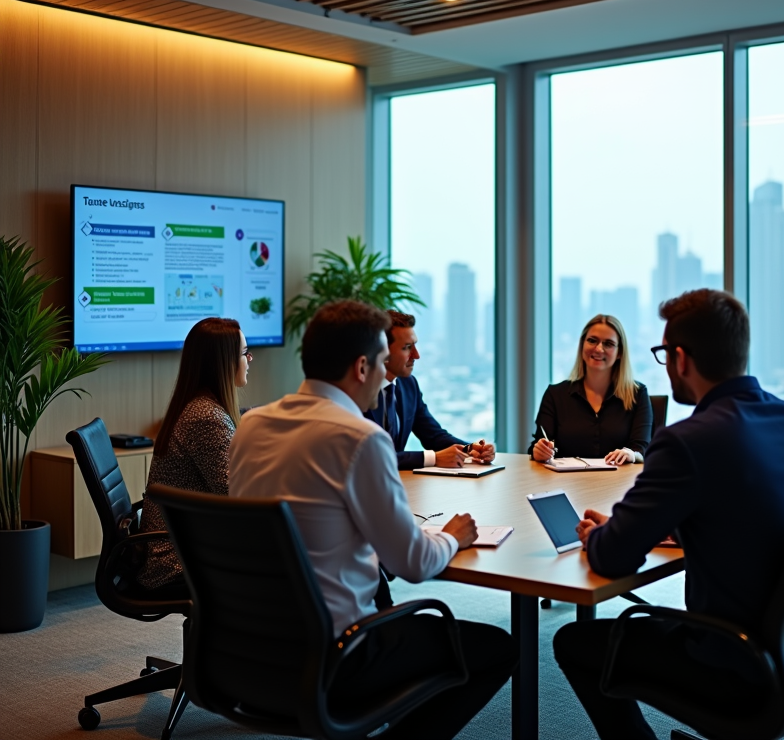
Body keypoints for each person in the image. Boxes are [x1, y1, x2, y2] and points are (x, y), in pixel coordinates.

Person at [553, 290, 784, 740]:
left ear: (681, 359)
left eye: (664, 354)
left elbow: (612, 561)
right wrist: (664, 529)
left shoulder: (689, 440)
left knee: (574, 643)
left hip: (740, 661)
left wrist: (606, 536)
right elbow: (757, 513)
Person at [227, 301, 516, 740]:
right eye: (383, 363)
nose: (388, 376)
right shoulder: (359, 438)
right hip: (340, 655)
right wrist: (454, 538)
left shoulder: (251, 425)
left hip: (251, 650)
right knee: (499, 648)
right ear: (362, 367)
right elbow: (414, 564)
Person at [136, 317, 252, 592]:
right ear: (223, 362)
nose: (250, 359)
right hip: (176, 557)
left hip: (189, 541)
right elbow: (234, 496)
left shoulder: (201, 406)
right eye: (245, 353)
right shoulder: (205, 417)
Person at [364, 310, 496, 470]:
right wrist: (433, 458)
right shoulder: (359, 391)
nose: (416, 355)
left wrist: (470, 449)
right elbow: (372, 457)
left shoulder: (408, 385)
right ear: (382, 352)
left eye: (415, 346)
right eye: (407, 348)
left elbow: (433, 435)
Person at [528, 314, 653, 465]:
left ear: (619, 353)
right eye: (592, 341)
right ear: (582, 346)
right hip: (567, 484)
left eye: (608, 344)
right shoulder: (555, 395)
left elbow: (641, 449)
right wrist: (539, 452)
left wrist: (630, 454)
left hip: (620, 483)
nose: (599, 349)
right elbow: (537, 446)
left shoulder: (637, 394)